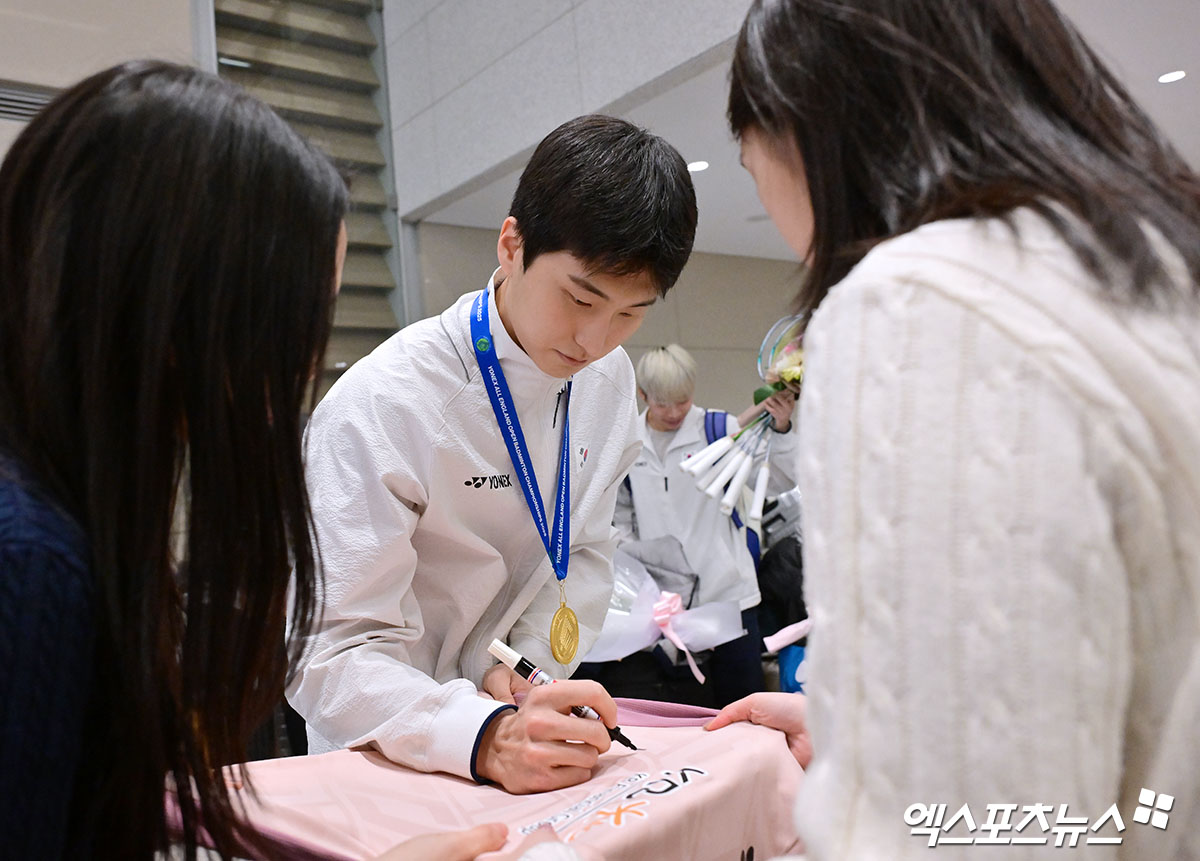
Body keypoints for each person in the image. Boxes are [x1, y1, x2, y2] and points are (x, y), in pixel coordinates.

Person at [705, 0, 1200, 858]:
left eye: (751, 167)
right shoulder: (1144, 263)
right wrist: (868, 728)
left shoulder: (922, 302)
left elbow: (972, 829)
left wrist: (876, 786)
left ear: (803, 133)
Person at [0, 61, 507, 861]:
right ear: (181, 302)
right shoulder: (33, 564)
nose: (306, 362)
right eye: (297, 321)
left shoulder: (60, 519)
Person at [287, 115, 698, 794]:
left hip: (518, 731)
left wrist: (524, 667)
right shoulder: (387, 401)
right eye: (581, 297)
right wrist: (479, 733)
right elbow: (328, 652)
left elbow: (585, 549)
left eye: (631, 313)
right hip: (385, 751)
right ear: (512, 245)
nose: (595, 339)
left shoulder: (608, 380)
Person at [604, 344, 797, 706]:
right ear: (643, 395)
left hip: (729, 597)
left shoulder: (718, 429)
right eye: (663, 404)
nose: (675, 412)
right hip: (667, 605)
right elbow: (620, 519)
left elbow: (780, 481)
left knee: (743, 706)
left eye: (683, 401)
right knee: (685, 708)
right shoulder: (629, 443)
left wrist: (782, 429)